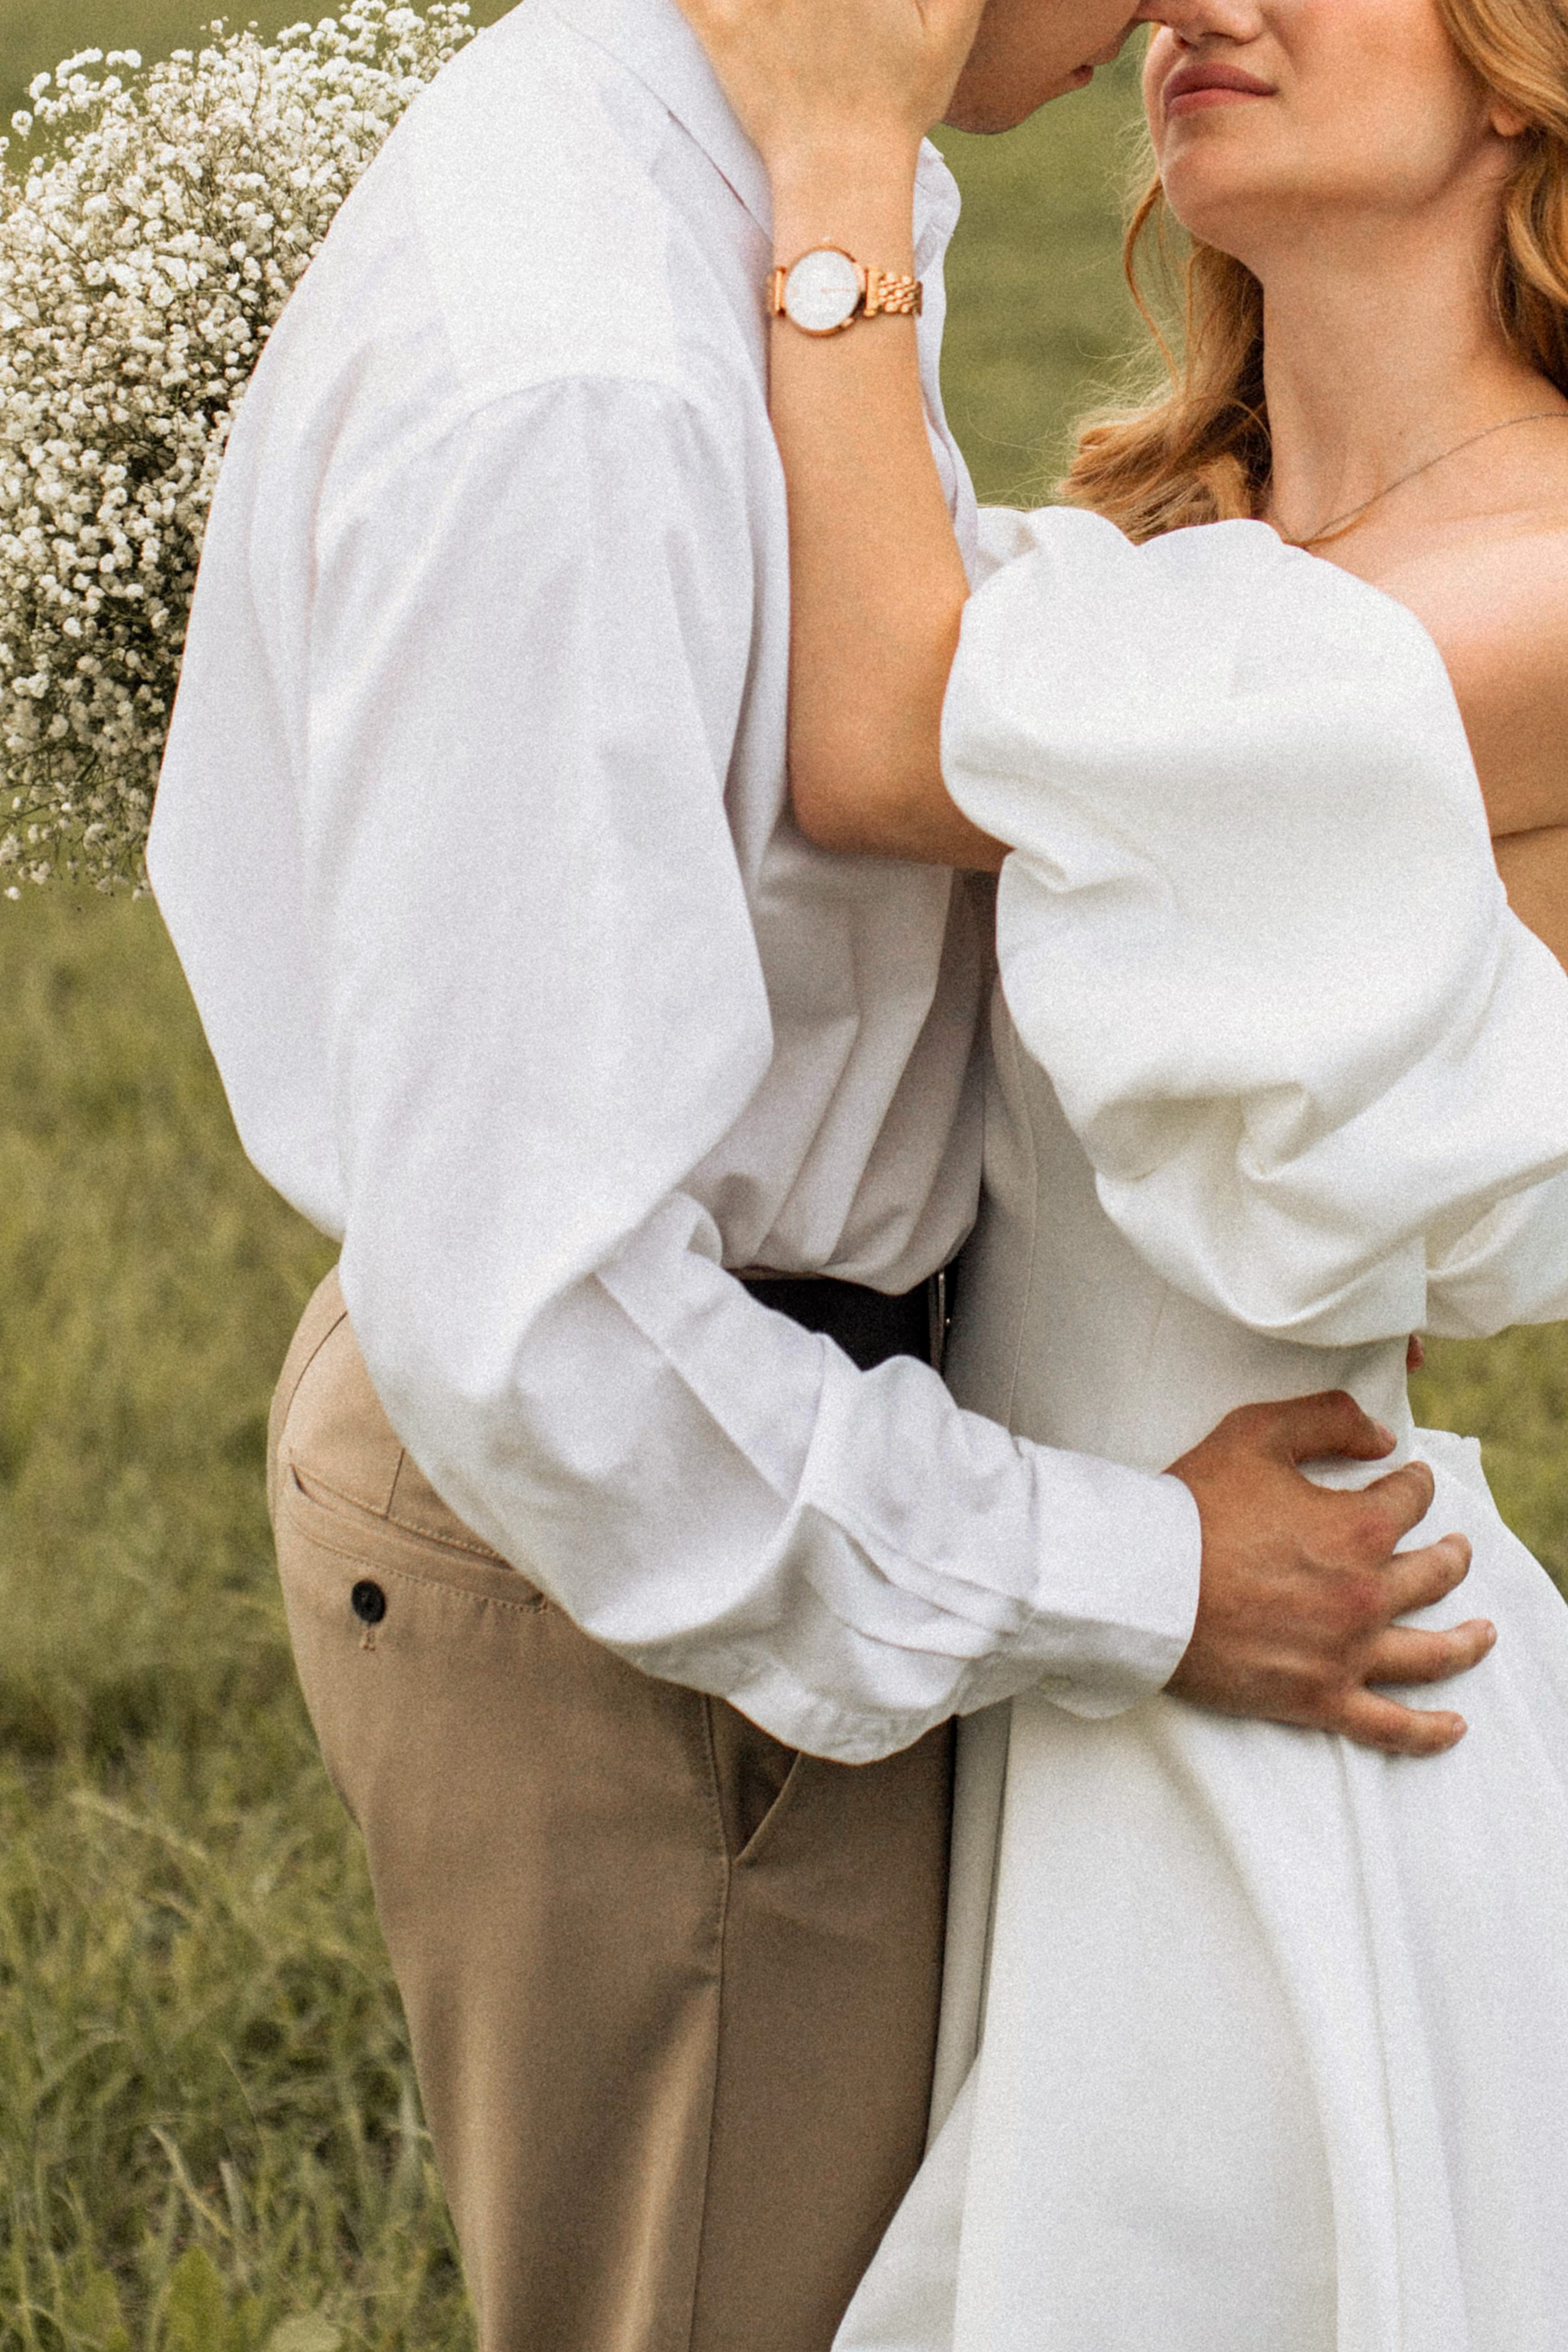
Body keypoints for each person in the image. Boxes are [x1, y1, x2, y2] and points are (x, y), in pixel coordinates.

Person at [147, 0, 1496, 2344]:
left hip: (883, 1524)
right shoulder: (610, 343)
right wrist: (1138, 1569)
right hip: (691, 1531)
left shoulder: (739, 207)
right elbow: (544, 1330)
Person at [669, 0, 1568, 2339]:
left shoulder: (1553, 577)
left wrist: (843, 153)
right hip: (1014, 1605)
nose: (1193, 0)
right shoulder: (1150, 543)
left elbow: (880, 734)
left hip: (1284, 1681)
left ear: (1519, 68)